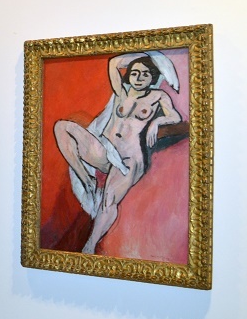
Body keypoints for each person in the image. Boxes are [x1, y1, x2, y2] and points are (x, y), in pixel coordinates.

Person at [53, 51, 182, 254]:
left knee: (109, 201)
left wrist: (157, 121)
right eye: (135, 73)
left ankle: (89, 246)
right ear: (129, 75)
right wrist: (148, 53)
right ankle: (86, 178)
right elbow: (114, 62)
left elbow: (175, 116)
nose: (139, 78)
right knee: (62, 127)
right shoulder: (121, 93)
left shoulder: (158, 96)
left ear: (152, 78)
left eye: (145, 74)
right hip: (107, 151)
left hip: (130, 158)